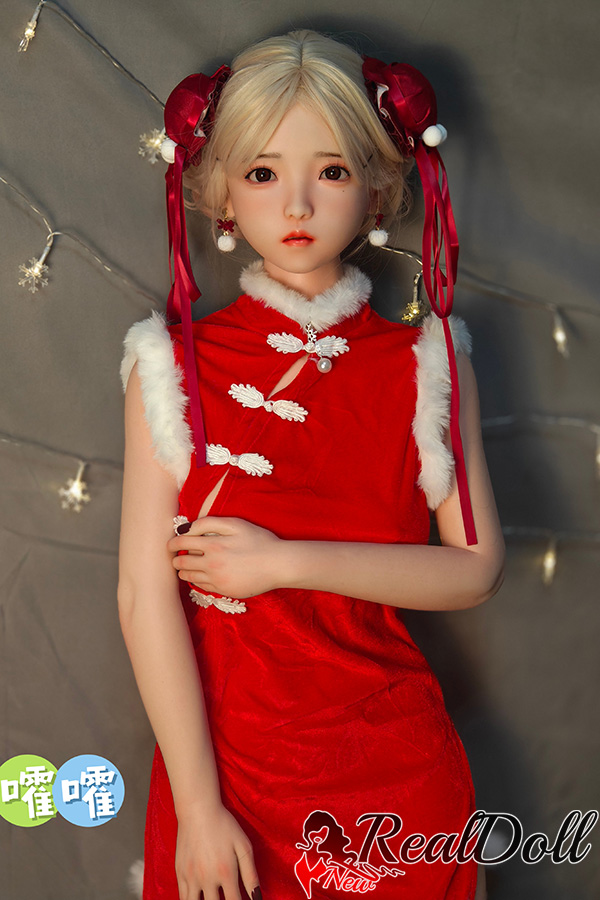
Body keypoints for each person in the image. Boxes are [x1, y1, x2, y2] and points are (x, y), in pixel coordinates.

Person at [118, 28, 504, 900]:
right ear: (222, 192)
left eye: (330, 171)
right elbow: (143, 596)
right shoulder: (168, 365)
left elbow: (477, 569)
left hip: (395, 784)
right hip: (226, 779)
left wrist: (283, 563)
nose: (296, 203)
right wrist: (199, 810)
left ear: (376, 189)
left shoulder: (428, 363)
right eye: (263, 173)